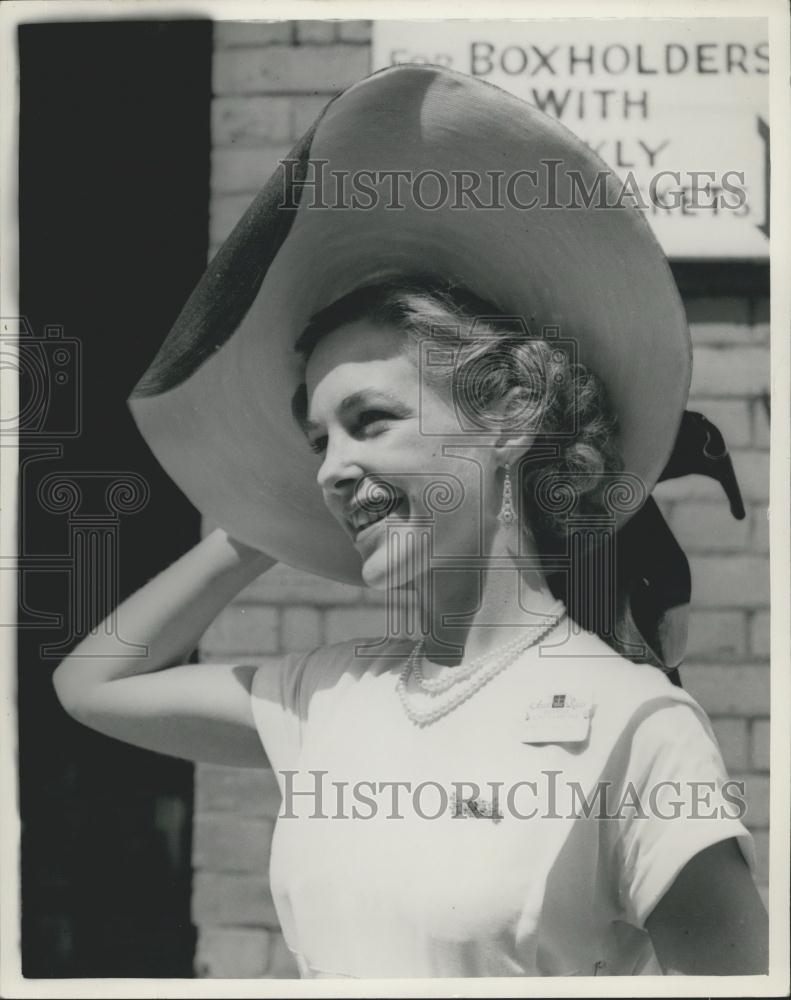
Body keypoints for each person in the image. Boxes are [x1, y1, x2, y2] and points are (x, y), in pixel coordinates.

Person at [51, 64, 768, 978]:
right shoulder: (329, 695)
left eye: (370, 421)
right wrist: (255, 523)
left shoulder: (635, 724)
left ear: (507, 421)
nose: (330, 469)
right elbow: (93, 684)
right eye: (315, 443)